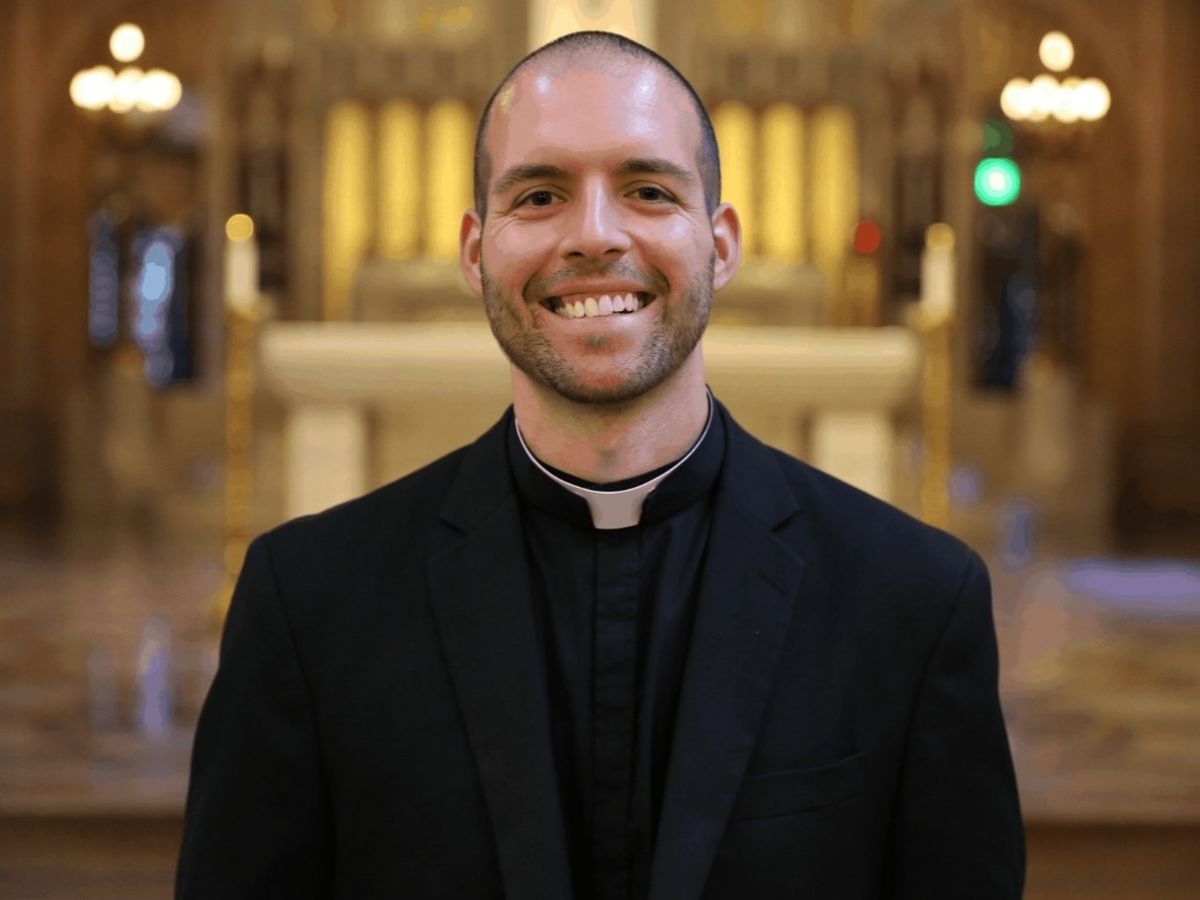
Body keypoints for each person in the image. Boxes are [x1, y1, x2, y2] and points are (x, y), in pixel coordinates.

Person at [176, 30, 1024, 900]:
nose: (593, 235)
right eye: (539, 195)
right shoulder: (309, 603)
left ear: (721, 244)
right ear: (475, 251)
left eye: (648, 190)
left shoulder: (914, 602)